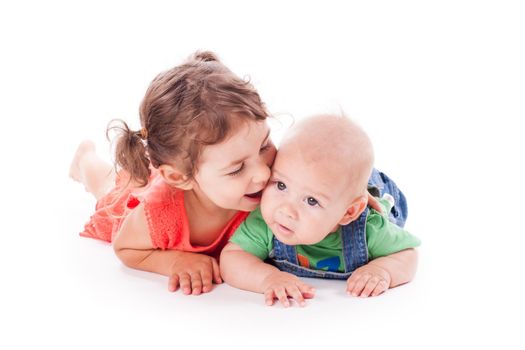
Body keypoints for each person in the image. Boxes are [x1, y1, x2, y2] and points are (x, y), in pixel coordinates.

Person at [69, 51, 277, 296]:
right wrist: (176, 262)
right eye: (237, 169)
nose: (264, 173)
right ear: (180, 177)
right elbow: (125, 249)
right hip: (139, 200)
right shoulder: (157, 214)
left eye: (264, 146)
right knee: (109, 189)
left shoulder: (260, 176)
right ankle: (85, 160)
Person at [220, 114, 421, 307]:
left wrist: (382, 270)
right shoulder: (267, 222)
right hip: (338, 191)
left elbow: (407, 252)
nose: (286, 210)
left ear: (348, 213)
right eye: (281, 185)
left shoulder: (370, 228)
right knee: (330, 182)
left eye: (311, 201)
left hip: (379, 196)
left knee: (358, 188)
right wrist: (268, 278)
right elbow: (232, 258)